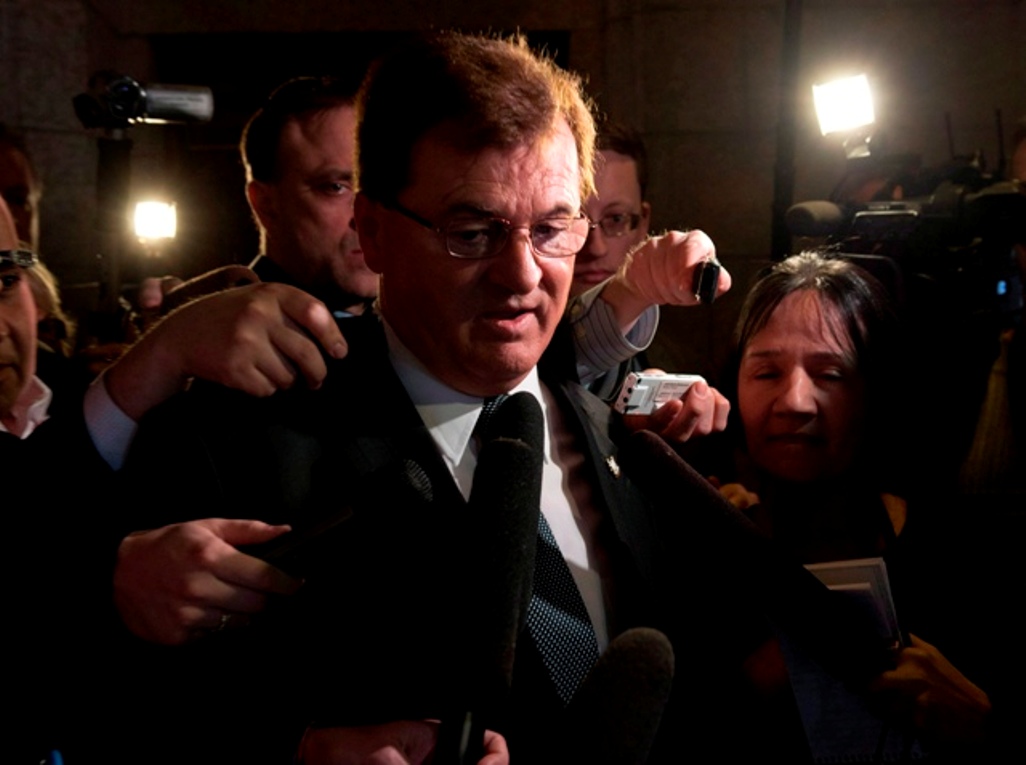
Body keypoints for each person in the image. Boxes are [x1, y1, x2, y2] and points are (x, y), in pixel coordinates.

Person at [117, 32, 761, 765]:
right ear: (373, 231)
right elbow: (133, 711)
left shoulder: (624, 446)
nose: (522, 274)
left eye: (552, 229)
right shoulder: (230, 442)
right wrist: (299, 751)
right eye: (472, 232)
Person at [721, 252, 1005, 757]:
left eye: (830, 374)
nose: (795, 401)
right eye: (766, 373)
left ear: (877, 390)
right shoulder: (700, 545)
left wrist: (984, 724)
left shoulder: (963, 556)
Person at [570, 121, 730, 440]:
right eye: (574, 217)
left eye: (615, 219)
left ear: (643, 221)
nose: (595, 247)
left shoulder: (674, 354)